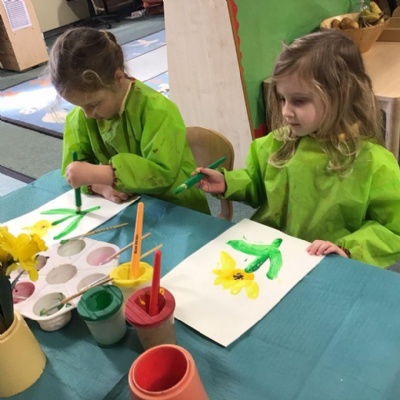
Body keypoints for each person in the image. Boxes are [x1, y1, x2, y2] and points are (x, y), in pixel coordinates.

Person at [196, 30, 400, 268]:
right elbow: (258, 184)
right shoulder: (277, 143)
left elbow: (392, 229)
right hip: (271, 257)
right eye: (282, 99)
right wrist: (228, 183)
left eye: (299, 101)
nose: (285, 112)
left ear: (341, 96)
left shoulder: (374, 163)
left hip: (326, 266)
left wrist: (348, 249)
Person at [47, 27, 210, 215]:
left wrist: (103, 174)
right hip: (128, 206)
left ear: (118, 78)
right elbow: (74, 168)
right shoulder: (81, 114)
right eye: (78, 105)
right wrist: (99, 186)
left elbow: (162, 172)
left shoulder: (158, 110)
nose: (88, 114)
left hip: (176, 207)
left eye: (93, 104)